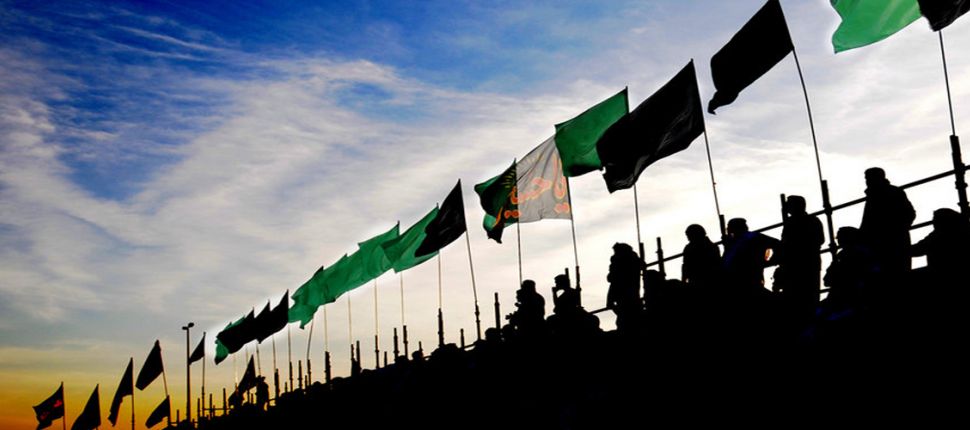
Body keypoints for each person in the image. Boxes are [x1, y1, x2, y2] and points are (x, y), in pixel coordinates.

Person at [774, 195, 824, 322]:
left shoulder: (808, 221)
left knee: (805, 299)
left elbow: (818, 240)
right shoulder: (806, 221)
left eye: (789, 205)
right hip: (801, 265)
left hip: (804, 264)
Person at [860, 167, 915, 274]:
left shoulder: (883, 194)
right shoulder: (888, 192)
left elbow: (868, 222)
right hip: (890, 242)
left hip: (887, 243)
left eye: (869, 178)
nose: (867, 181)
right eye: (866, 179)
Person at [722, 218, 780, 296]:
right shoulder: (736, 241)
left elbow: (777, 244)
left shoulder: (750, 237)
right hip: (744, 280)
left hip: (747, 280)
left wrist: (770, 261)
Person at [607, 243, 644, 331]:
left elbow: (611, 278)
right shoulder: (630, 259)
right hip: (628, 296)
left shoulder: (621, 261)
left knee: (626, 320)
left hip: (625, 295)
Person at [681, 224, 721, 288]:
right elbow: (685, 266)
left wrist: (683, 281)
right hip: (697, 280)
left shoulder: (710, 247)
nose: (688, 238)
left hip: (704, 280)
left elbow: (685, 266)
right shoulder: (712, 246)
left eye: (689, 235)